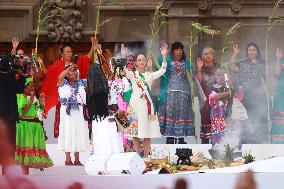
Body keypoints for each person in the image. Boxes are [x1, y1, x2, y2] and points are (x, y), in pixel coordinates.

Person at [41, 37, 97, 137]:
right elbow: (48, 73)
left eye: (70, 52)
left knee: (77, 124)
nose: (69, 53)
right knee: (63, 122)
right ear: (62, 54)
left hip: (76, 98)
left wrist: (93, 45)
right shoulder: (57, 65)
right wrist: (40, 64)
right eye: (66, 52)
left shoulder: (77, 62)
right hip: (63, 98)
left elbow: (88, 57)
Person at [122, 45, 167, 157]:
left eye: (143, 60)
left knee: (148, 133)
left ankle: (146, 158)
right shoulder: (133, 75)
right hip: (135, 106)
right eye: (139, 60)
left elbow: (162, 70)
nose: (141, 61)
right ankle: (137, 157)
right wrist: (123, 56)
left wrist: (164, 56)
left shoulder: (149, 76)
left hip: (148, 107)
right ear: (136, 63)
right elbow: (125, 71)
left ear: (147, 62)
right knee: (135, 134)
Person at [229, 43, 268, 144]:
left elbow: (267, 77)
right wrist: (235, 53)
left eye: (254, 50)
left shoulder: (262, 63)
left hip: (259, 95)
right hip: (245, 96)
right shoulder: (242, 62)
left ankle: (258, 140)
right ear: (247, 52)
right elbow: (232, 67)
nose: (252, 52)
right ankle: (245, 140)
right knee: (246, 117)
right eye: (250, 50)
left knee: (259, 116)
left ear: (257, 51)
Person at [158, 42, 194, 144]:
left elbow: (192, 77)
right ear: (173, 51)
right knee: (171, 114)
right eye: (176, 50)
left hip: (184, 94)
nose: (178, 52)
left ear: (182, 51)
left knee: (181, 115)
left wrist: (194, 70)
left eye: (180, 50)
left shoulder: (186, 62)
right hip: (170, 93)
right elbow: (160, 66)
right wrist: (163, 55)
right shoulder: (168, 61)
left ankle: (181, 138)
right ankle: (170, 138)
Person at [15, 78, 53, 174]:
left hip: (35, 127)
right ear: (24, 87)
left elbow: (40, 115)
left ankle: (25, 177)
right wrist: (30, 102)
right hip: (25, 127)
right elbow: (21, 114)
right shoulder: (19, 97)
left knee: (29, 155)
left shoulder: (34, 97)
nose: (33, 88)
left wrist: (42, 104)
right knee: (25, 155)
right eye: (31, 86)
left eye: (33, 86)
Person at [58, 65, 89, 166]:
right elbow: (59, 77)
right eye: (72, 72)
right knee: (68, 133)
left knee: (77, 133)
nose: (75, 73)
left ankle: (77, 159)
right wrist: (68, 68)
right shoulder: (63, 84)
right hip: (67, 113)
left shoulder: (82, 83)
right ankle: (67, 159)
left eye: (76, 71)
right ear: (67, 73)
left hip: (79, 112)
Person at [0, 54, 26, 156]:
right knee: (10, 137)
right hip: (9, 113)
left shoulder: (7, 76)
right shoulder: (8, 77)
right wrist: (21, 76)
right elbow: (19, 89)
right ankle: (9, 162)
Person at [195, 47, 220, 144]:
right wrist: (199, 69)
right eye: (206, 54)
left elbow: (224, 80)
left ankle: (217, 152)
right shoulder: (200, 68)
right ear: (202, 56)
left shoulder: (218, 67)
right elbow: (199, 81)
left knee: (217, 127)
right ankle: (204, 152)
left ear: (213, 55)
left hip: (217, 101)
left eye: (210, 53)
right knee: (205, 126)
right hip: (205, 102)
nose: (208, 55)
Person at [208, 68, 233, 145]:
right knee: (216, 130)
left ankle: (226, 147)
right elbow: (214, 97)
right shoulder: (212, 87)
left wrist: (229, 90)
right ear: (215, 77)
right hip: (215, 113)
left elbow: (231, 98)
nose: (221, 77)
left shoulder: (228, 86)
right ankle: (216, 146)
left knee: (226, 131)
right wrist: (227, 93)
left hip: (225, 113)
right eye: (219, 75)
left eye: (223, 75)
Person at [271, 48, 284, 143]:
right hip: (280, 94)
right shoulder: (281, 60)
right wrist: (278, 59)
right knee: (279, 118)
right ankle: (278, 145)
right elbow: (276, 73)